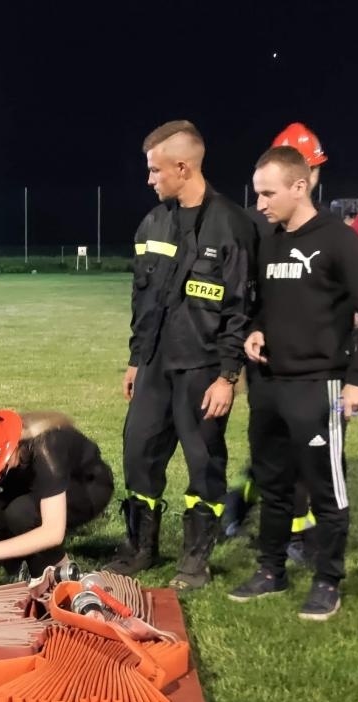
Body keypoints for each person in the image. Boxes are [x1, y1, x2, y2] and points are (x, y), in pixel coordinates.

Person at [227, 145, 358, 620]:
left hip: (320, 385)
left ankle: (327, 580)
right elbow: (266, 305)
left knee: (325, 488)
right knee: (273, 483)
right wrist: (256, 329)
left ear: (300, 187)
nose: (260, 203)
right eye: (257, 194)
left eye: (268, 193)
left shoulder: (340, 241)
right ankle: (271, 570)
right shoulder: (270, 241)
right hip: (268, 386)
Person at [107, 120, 254, 590]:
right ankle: (139, 548)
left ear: (183, 167)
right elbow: (142, 299)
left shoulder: (232, 225)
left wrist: (227, 376)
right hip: (154, 366)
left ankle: (194, 562)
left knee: (203, 464)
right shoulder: (153, 223)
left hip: (202, 370)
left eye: (156, 170)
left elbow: (240, 307)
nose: (149, 179)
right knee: (138, 454)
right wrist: (136, 359)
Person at [0, 409, 114, 589]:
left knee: (20, 513)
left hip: (88, 487)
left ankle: (61, 571)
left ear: (6, 459)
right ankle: (22, 565)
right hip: (40, 482)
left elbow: (53, 532)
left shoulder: (46, 449)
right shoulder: (4, 447)